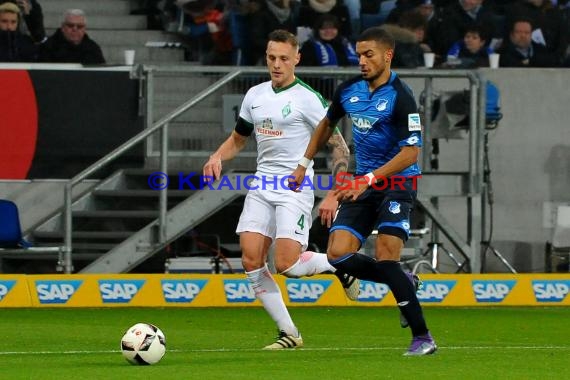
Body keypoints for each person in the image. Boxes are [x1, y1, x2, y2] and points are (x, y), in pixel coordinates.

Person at [202, 29, 359, 350]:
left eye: (284, 58)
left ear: (297, 59)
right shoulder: (255, 96)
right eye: (272, 58)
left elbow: (339, 147)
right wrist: (217, 156)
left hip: (294, 187)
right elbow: (238, 139)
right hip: (262, 184)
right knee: (250, 260)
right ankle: (290, 333)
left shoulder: (309, 99)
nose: (276, 64)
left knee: (287, 265)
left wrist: (333, 192)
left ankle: (339, 264)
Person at [289, 26, 437, 356]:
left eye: (369, 54)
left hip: (397, 183)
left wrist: (368, 179)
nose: (362, 61)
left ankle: (422, 336)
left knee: (386, 255)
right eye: (359, 54)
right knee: (337, 254)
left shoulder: (402, 97)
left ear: (388, 56)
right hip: (363, 183)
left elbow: (411, 152)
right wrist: (303, 162)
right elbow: (326, 125)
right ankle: (404, 282)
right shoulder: (349, 90)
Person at [38, 9, 105, 65]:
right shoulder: (48, 47)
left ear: (84, 29)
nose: (75, 29)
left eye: (79, 26)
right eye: (70, 25)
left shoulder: (93, 49)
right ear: (63, 27)